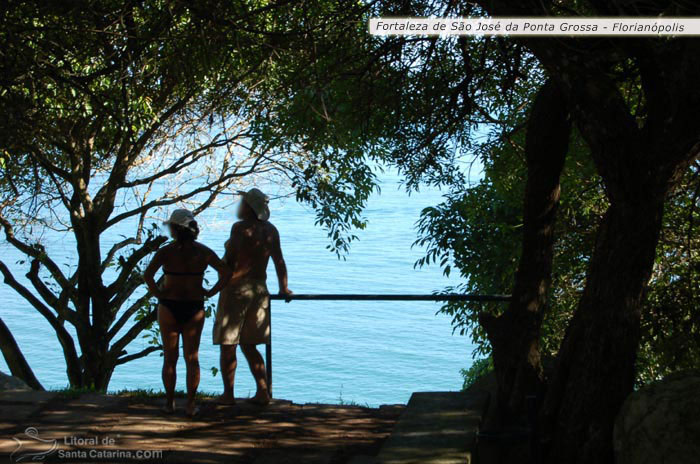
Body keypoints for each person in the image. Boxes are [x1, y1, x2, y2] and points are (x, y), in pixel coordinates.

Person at [144, 209, 231, 417]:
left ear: (174, 229)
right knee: (192, 357)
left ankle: (169, 403)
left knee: (170, 358)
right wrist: (210, 292)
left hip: (168, 306)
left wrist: (159, 294)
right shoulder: (203, 251)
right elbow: (226, 272)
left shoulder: (166, 252)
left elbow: (147, 276)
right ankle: (191, 405)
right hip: (194, 306)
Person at [214, 188, 292, 406]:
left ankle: (228, 395)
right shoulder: (271, 230)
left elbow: (231, 260)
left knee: (228, 344)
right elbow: (279, 261)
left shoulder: (239, 229)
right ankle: (263, 392)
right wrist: (283, 288)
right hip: (259, 290)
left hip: (236, 290)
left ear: (248, 207)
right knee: (249, 345)